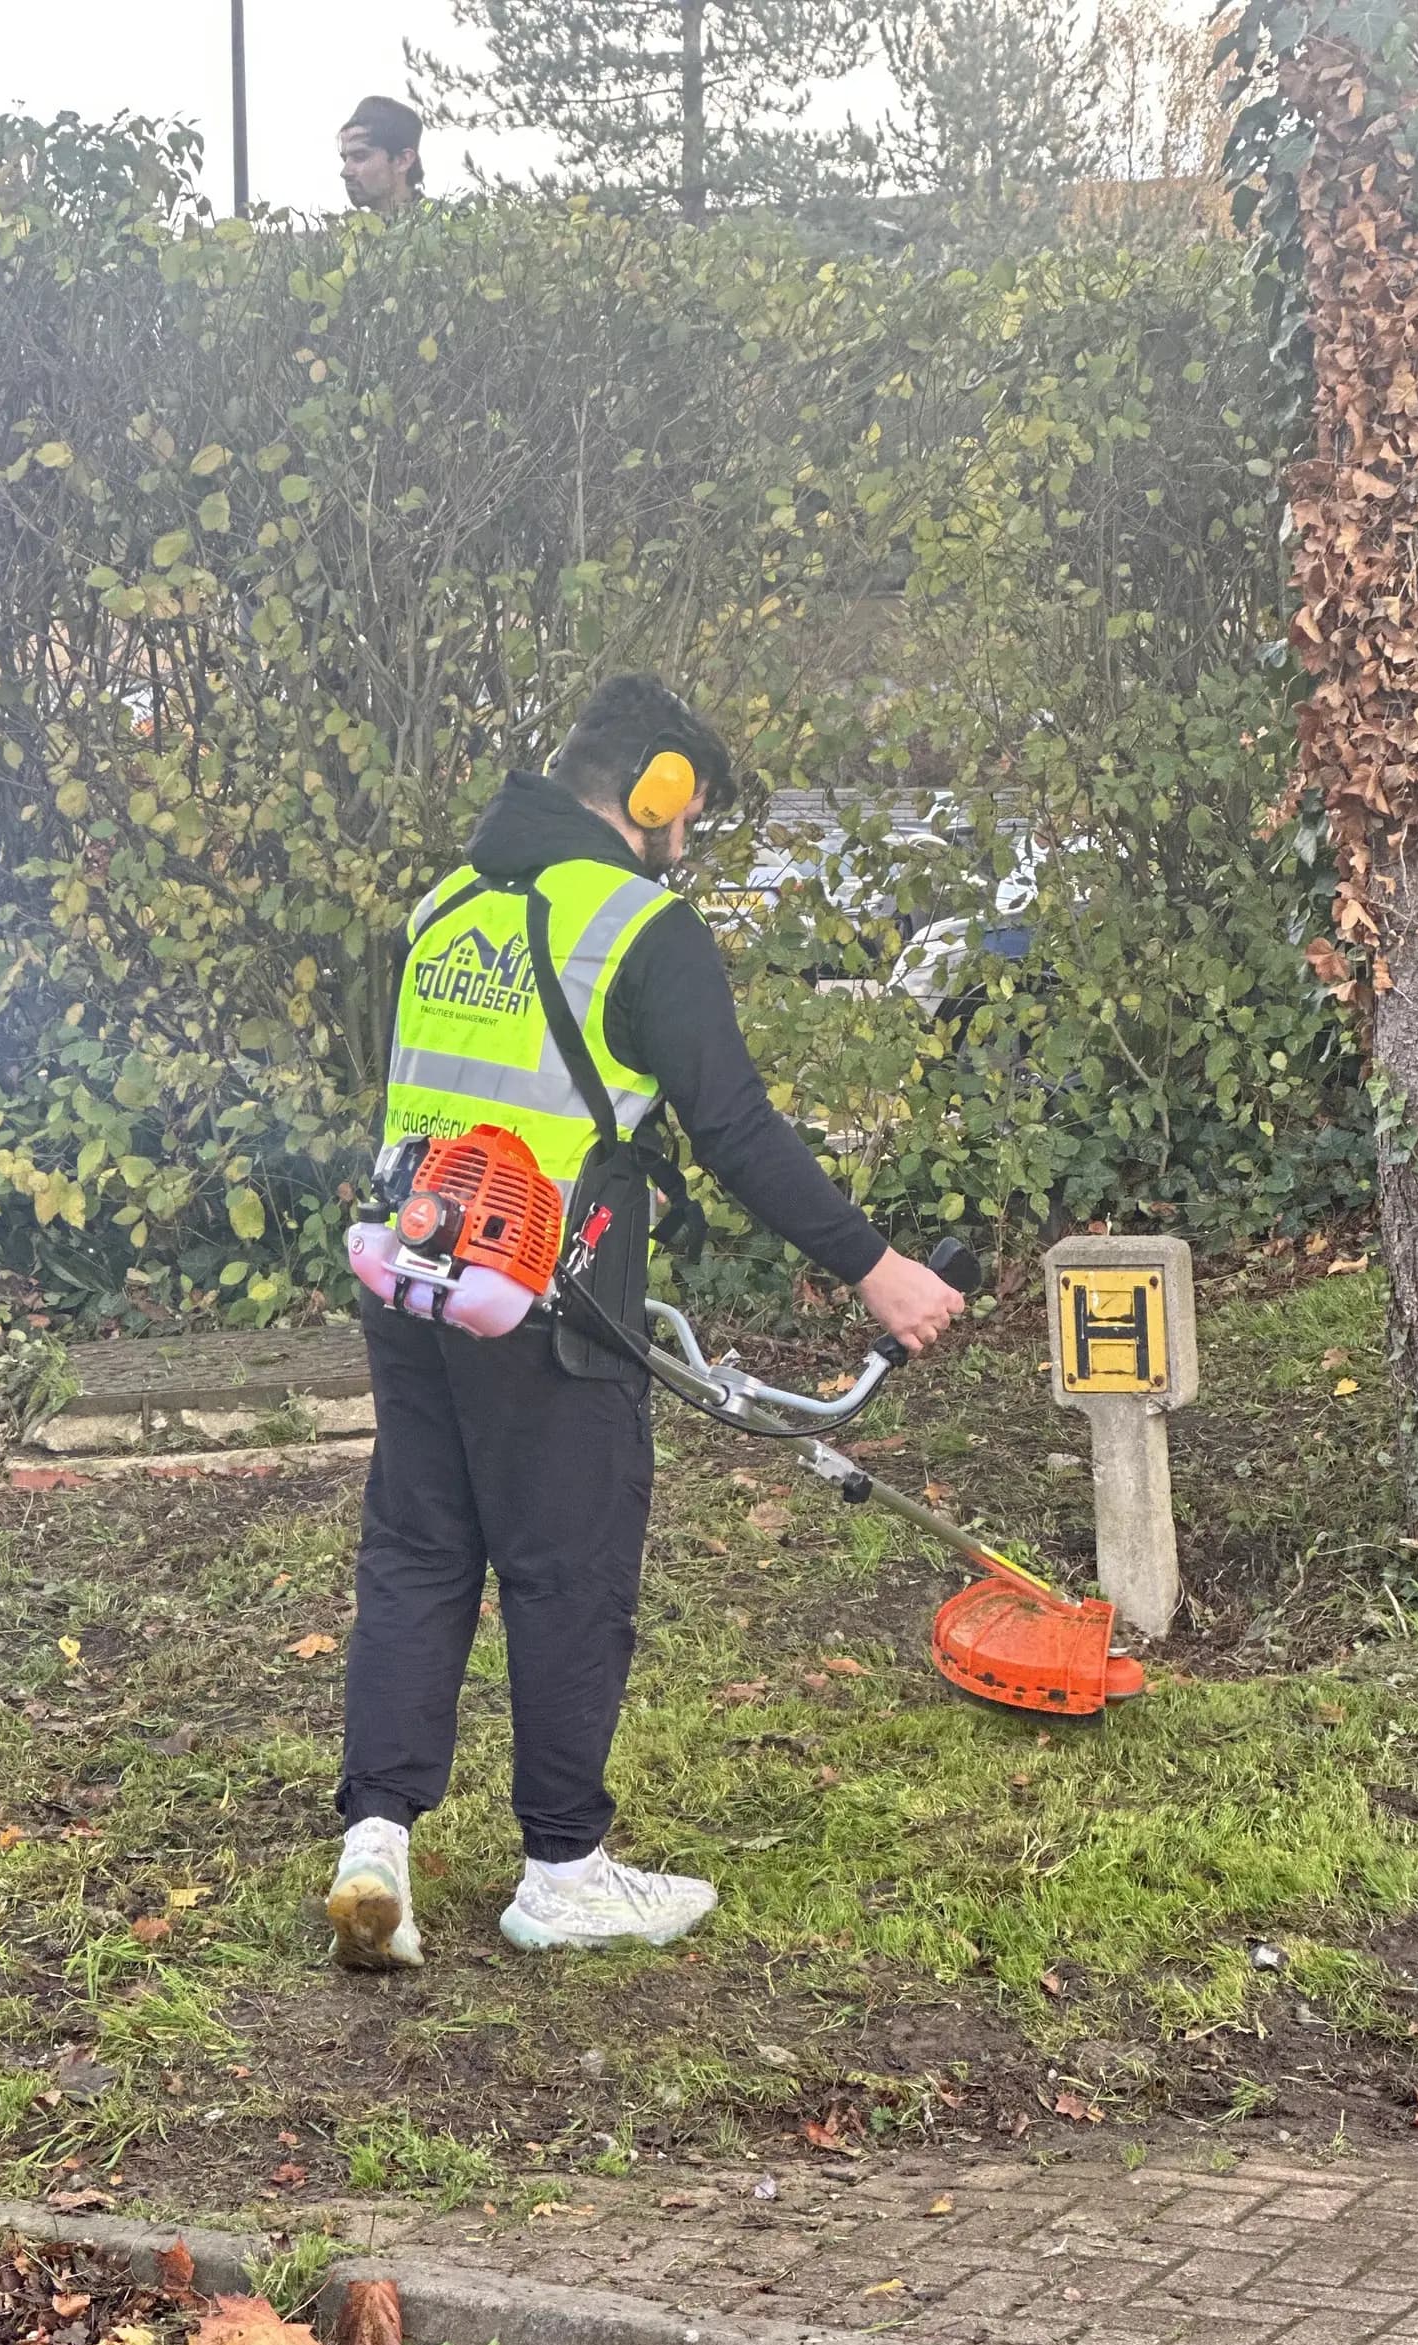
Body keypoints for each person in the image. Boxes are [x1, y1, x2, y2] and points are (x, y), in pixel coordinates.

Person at [327, 674, 966, 1971]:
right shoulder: (634, 926)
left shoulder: (446, 905)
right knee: (568, 1574)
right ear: (656, 790)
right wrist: (875, 1268)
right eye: (692, 809)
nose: (690, 836)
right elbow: (733, 1123)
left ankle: (374, 1842)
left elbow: (508, 1091)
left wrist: (625, 1160)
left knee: (418, 1554)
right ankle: (561, 1871)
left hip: (413, 1274)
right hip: (548, 1304)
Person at [339, 95, 424, 217]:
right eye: (345, 159)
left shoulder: (445, 230)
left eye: (359, 156)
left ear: (403, 161)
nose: (345, 172)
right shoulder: (357, 233)